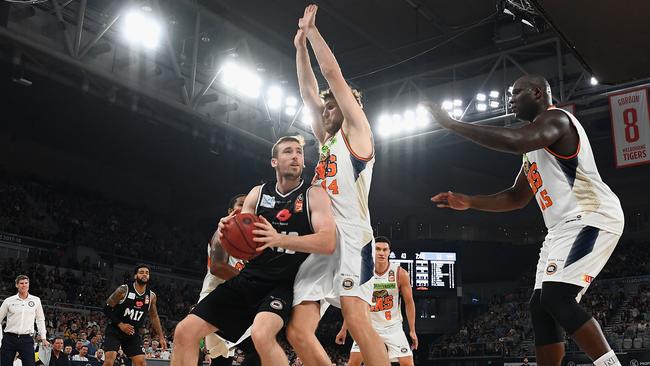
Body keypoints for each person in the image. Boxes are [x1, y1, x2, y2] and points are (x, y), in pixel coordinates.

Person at [428, 74, 625, 366]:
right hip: (561, 228)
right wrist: (469, 201)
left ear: (536, 93)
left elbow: (515, 141)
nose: (510, 100)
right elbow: (515, 197)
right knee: (540, 306)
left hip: (591, 215)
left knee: (557, 297)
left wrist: (453, 124)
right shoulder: (533, 147)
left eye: (515, 93)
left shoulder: (557, 119)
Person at [170, 135, 336, 366]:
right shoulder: (257, 194)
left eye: (299, 152)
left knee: (262, 335)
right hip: (251, 277)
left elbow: (328, 242)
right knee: (184, 331)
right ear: (274, 162)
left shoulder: (313, 195)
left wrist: (278, 239)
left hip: (284, 282)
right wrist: (224, 231)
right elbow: (238, 245)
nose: (296, 156)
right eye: (288, 151)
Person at [289, 4, 389, 366]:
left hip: (353, 235)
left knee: (356, 316)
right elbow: (308, 94)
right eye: (327, 106)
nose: (327, 108)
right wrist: (299, 48)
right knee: (298, 330)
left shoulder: (359, 135)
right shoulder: (326, 141)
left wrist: (313, 33)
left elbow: (331, 74)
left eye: (334, 104)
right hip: (323, 237)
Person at [335, 236, 417, 366]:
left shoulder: (400, 274)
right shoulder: (363, 272)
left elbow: (409, 302)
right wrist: (344, 329)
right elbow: (354, 305)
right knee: (353, 363)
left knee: (408, 363)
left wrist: (412, 330)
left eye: (385, 250)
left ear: (389, 252)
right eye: (378, 249)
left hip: (392, 327)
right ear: (372, 251)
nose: (381, 253)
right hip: (368, 326)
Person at [200, 194, 259, 366]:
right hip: (217, 299)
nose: (246, 208)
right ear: (230, 211)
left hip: (240, 301)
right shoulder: (223, 231)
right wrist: (254, 282)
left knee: (260, 347)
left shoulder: (254, 239)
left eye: (250, 205)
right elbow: (217, 267)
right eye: (241, 204)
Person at [101, 265, 167, 366]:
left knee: (141, 363)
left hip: (132, 333)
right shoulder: (123, 290)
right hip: (115, 330)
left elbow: (154, 317)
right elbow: (106, 308)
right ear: (135, 276)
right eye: (141, 272)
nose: (144, 274)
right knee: (110, 360)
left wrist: (161, 337)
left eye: (147, 273)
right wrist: (121, 324)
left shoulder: (151, 296)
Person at [0, 275, 50, 366]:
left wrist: (43, 338)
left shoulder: (36, 300)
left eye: (26, 283)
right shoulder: (9, 301)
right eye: (21, 283)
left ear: (29, 284)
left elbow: (40, 319)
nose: (24, 285)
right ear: (16, 285)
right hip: (9, 338)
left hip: (26, 339)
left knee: (30, 364)